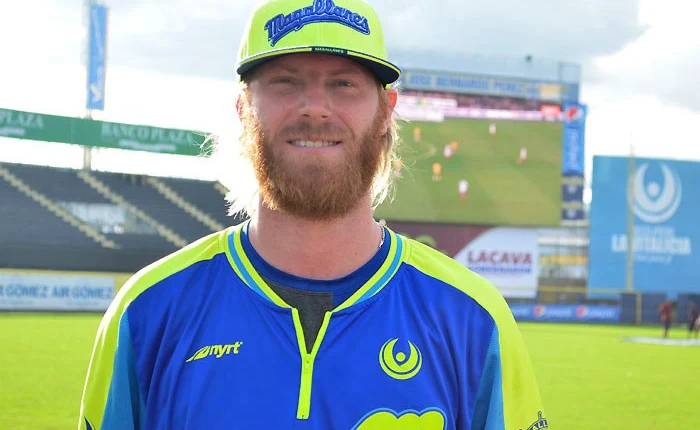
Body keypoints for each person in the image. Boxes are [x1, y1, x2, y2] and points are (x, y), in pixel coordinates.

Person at [78, 0, 545, 429]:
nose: (316, 109)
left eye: (344, 84)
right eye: (286, 81)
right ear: (243, 107)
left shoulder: (474, 318)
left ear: (386, 111)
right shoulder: (148, 311)